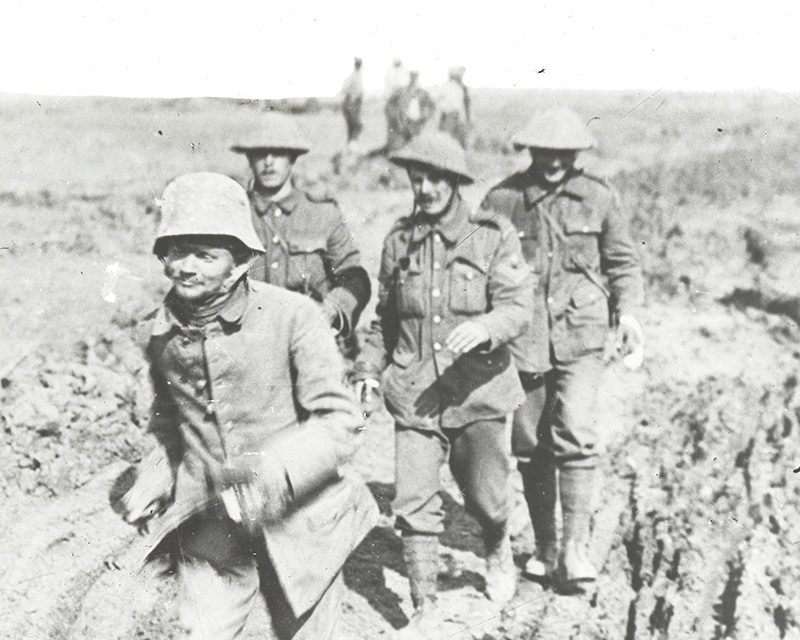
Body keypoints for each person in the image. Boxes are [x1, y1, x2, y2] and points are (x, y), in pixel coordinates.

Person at [114, 172, 378, 640]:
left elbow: (339, 421)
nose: (186, 267)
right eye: (176, 251)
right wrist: (156, 472)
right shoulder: (162, 334)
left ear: (239, 264)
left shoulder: (292, 318)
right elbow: (169, 422)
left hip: (302, 521)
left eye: (205, 254)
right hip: (211, 525)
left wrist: (272, 475)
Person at [351, 132, 533, 636]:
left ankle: (497, 546)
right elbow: (383, 322)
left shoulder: (487, 235)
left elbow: (518, 308)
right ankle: (424, 606)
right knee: (412, 504)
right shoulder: (399, 240)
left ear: (455, 181)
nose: (425, 187)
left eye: (435, 178)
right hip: (414, 394)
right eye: (417, 177)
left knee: (485, 500)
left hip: (477, 394)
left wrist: (487, 328)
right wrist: (367, 372)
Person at [480, 108, 645, 591]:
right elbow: (471, 255)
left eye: (564, 153)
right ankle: (546, 546)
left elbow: (622, 261)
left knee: (574, 429)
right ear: (531, 151)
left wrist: (629, 313)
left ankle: (574, 549)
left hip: (582, 334)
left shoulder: (599, 198)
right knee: (530, 444)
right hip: (525, 337)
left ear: (577, 154)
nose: (553, 162)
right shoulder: (502, 199)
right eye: (545, 152)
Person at [231, 111, 371, 356]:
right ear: (249, 158)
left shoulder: (322, 214)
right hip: (249, 347)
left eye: (279, 153)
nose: (269, 161)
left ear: (293, 158)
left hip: (309, 344)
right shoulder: (233, 214)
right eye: (260, 153)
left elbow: (355, 277)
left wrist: (332, 309)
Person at [433, 66, 471, 148]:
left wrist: (463, 119)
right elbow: (438, 101)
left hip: (456, 116)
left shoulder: (460, 88)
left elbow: (461, 106)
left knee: (458, 139)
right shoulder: (446, 87)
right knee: (446, 138)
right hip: (447, 116)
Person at [395, 70, 436, 146]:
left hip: (418, 120)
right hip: (407, 119)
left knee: (417, 139)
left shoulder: (423, 92)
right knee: (406, 139)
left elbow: (431, 106)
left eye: (415, 77)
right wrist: (401, 118)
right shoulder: (404, 91)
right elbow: (400, 106)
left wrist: (425, 116)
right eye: (412, 77)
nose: (413, 79)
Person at [340, 57, 364, 148]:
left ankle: (350, 147)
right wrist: (351, 97)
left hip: (354, 105)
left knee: (353, 127)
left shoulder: (358, 76)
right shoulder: (353, 76)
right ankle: (351, 147)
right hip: (350, 104)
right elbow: (345, 89)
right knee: (356, 126)